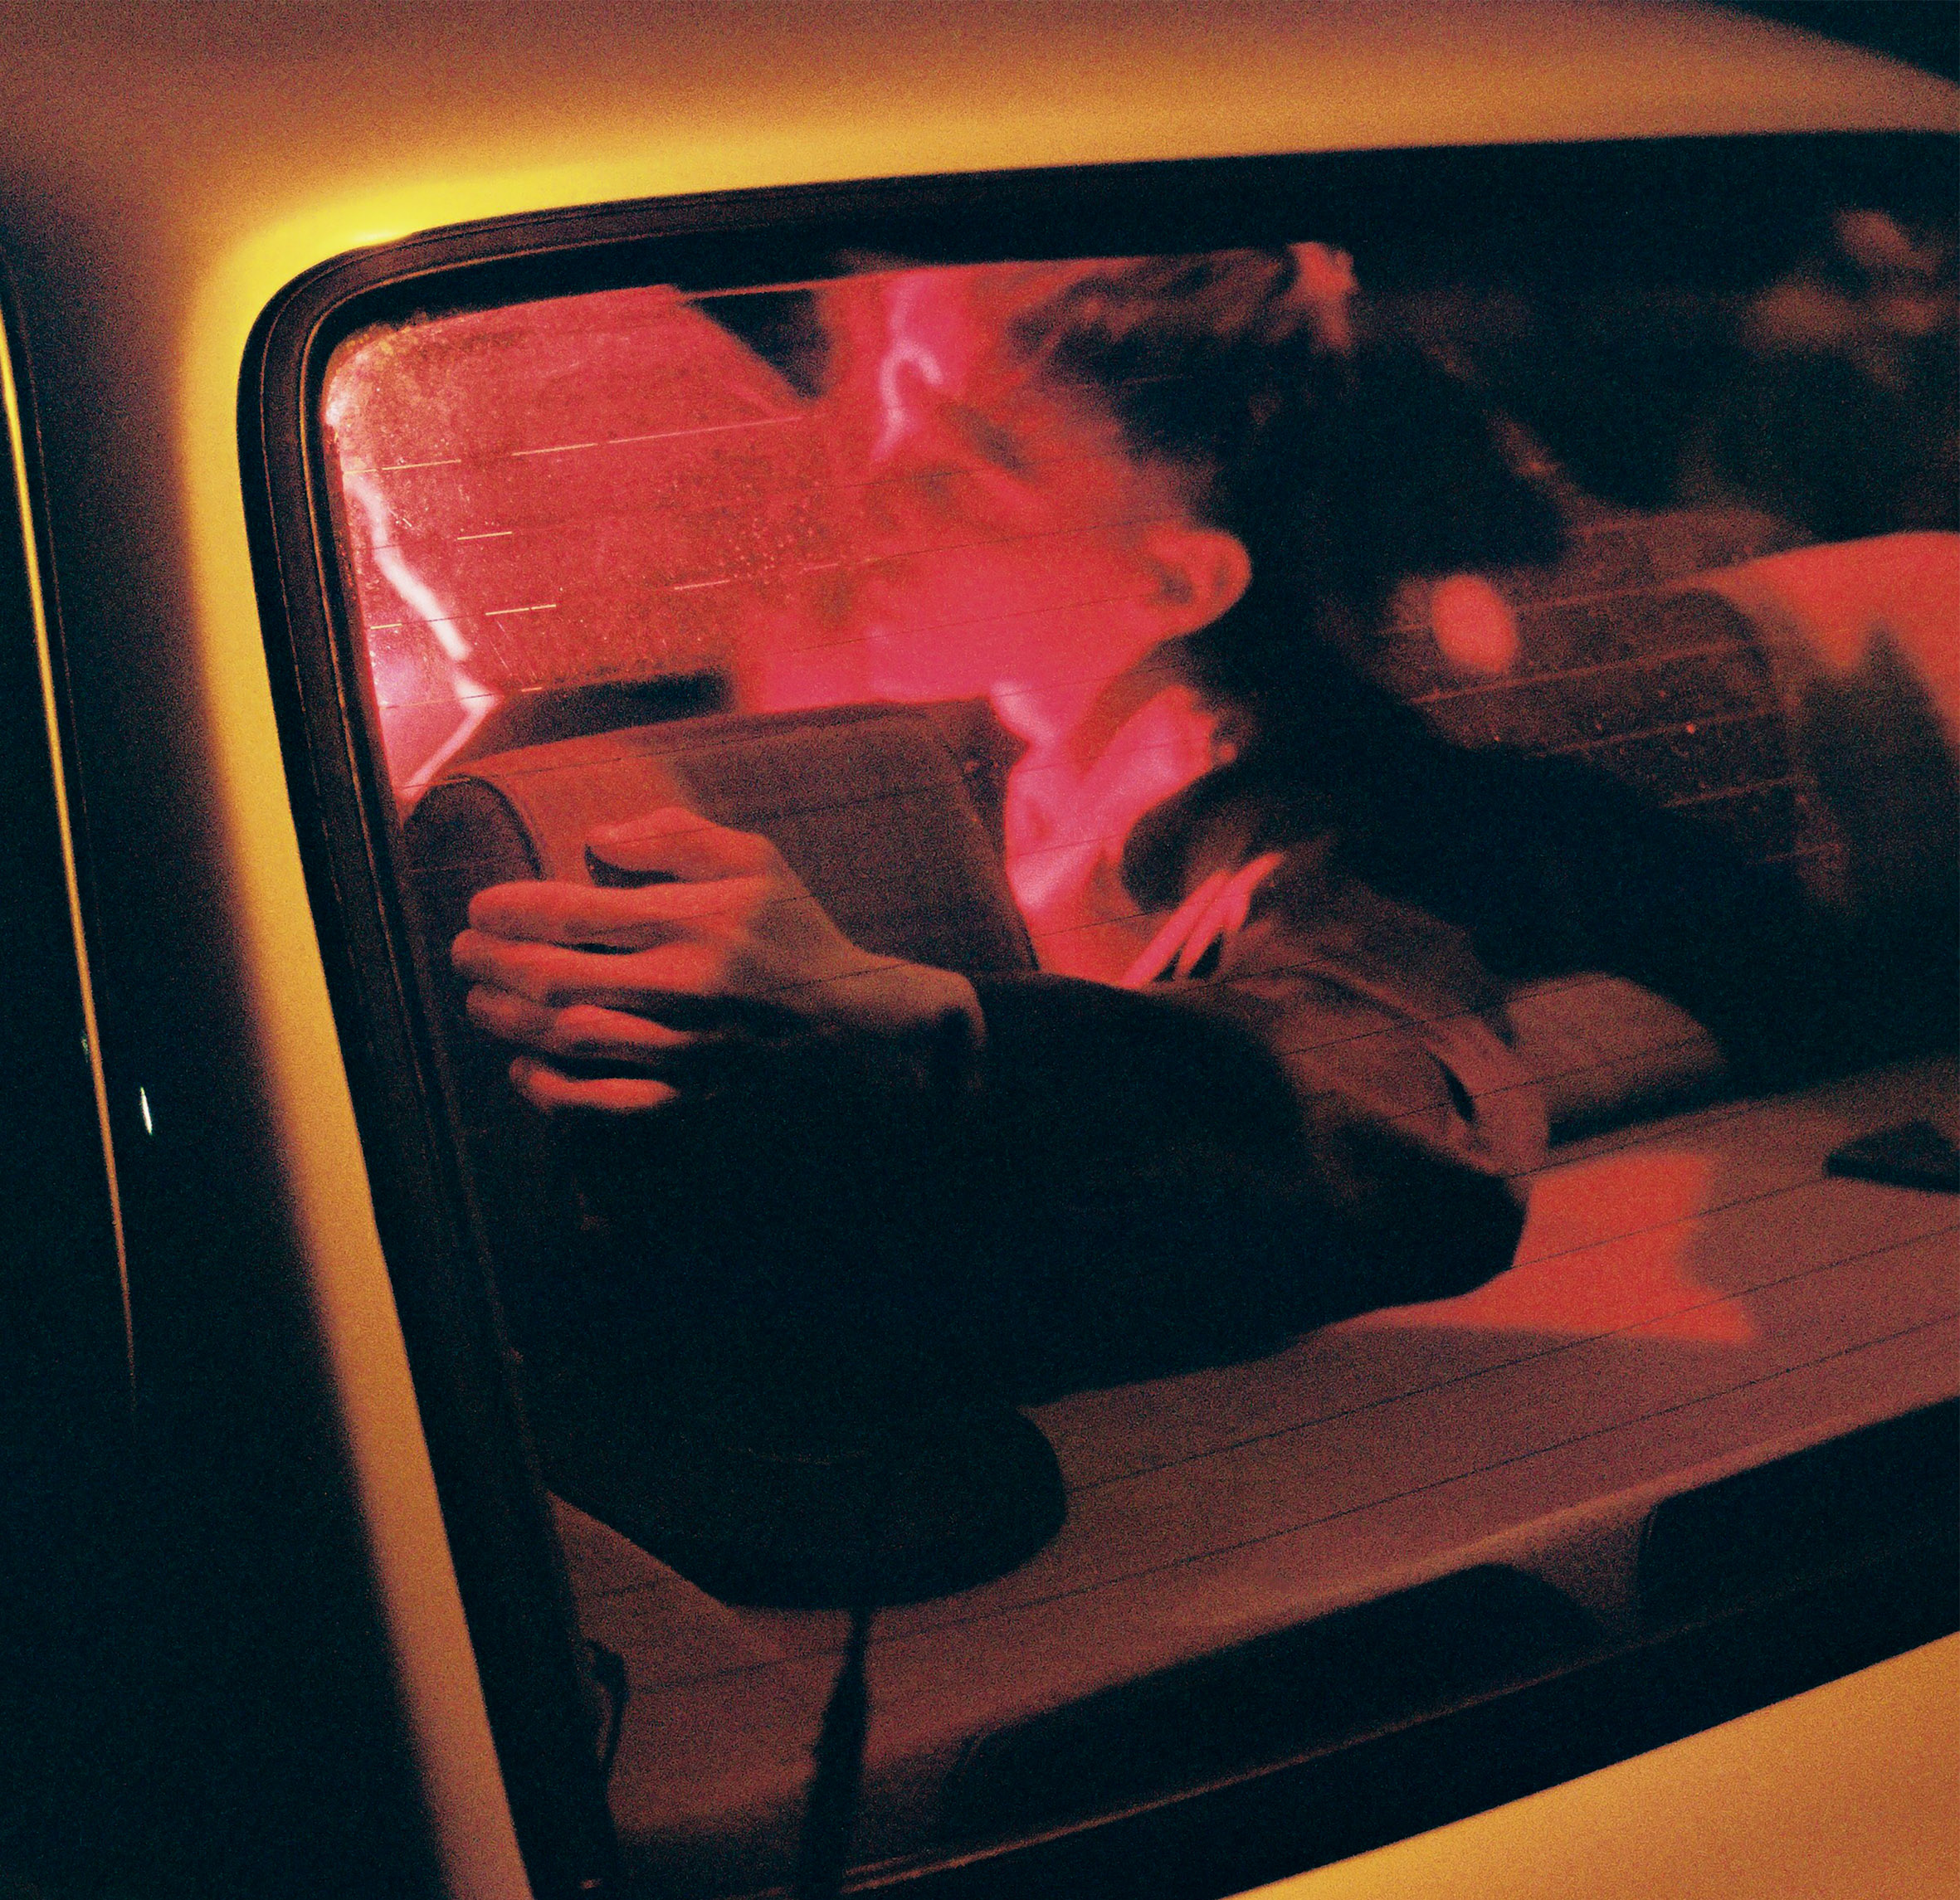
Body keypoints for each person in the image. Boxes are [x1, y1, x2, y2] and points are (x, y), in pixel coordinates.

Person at [447, 249, 1889, 1402]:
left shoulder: (1309, 832)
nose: (875, 483)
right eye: (894, 393)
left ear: (1175, 583)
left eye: (974, 455)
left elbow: (1391, 1106)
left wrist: (930, 1032)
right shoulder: (994, 745)